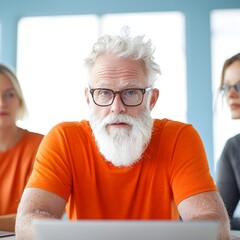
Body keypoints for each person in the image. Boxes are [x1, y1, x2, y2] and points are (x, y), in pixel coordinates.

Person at [15, 28, 231, 240]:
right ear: (89, 99)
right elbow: (27, 221)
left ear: (152, 99)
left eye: (130, 92)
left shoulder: (179, 138)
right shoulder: (63, 139)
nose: (117, 107)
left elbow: (213, 223)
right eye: (103, 92)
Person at [0, 64, 44, 232]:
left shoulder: (41, 146)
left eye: (9, 94)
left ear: (19, 99)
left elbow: (43, 216)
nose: (2, 103)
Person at [216, 53, 240, 230]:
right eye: (226, 87)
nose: (230, 94)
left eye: (239, 86)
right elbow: (221, 219)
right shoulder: (233, 148)